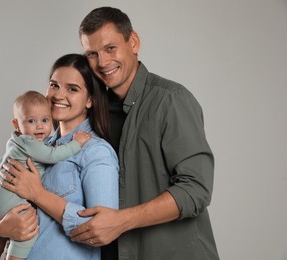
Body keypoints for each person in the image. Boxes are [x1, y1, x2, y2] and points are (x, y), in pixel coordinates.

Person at [69, 6, 220, 260]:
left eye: (110, 48)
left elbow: (195, 189)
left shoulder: (171, 100)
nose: (103, 62)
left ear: (134, 42)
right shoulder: (92, 111)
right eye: (92, 54)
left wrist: (121, 221)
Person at [0, 53, 119, 259]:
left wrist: (38, 194)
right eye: (54, 85)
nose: (57, 95)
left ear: (90, 100)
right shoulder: (31, 143)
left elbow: (101, 229)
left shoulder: (96, 152)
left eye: (72, 89)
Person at [0, 90, 92, 260]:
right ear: (16, 125)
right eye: (31, 121)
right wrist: (75, 144)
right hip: (9, 201)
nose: (39, 126)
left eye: (45, 120)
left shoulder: (15, 142)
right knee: (28, 231)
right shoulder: (30, 143)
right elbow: (52, 155)